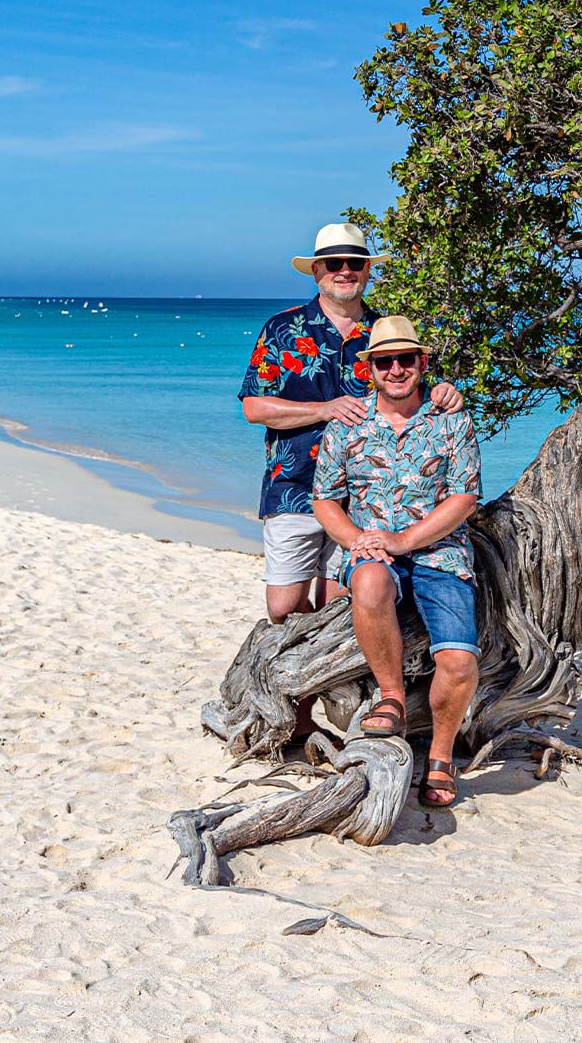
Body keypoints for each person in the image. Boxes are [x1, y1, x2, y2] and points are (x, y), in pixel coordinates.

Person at [239, 222, 461, 624]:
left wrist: (446, 393)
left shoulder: (384, 335)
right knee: (283, 609)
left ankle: (331, 687)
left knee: (340, 611)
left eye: (354, 262)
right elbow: (254, 407)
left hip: (366, 497)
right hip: (294, 487)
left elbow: (413, 392)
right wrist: (324, 409)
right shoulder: (281, 329)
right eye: (333, 263)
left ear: (367, 270)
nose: (345, 270)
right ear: (316, 271)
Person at [310, 316, 482, 810]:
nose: (396, 369)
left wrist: (405, 540)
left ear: (421, 363)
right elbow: (325, 500)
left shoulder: (450, 418)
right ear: (370, 369)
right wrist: (358, 542)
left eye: (406, 359)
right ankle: (392, 698)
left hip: (442, 553)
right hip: (374, 553)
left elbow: (464, 497)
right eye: (385, 361)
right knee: (366, 581)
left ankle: (442, 756)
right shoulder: (346, 424)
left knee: (459, 661)